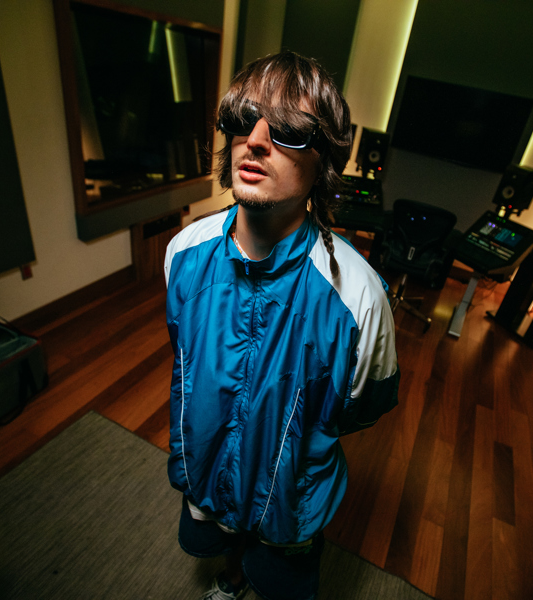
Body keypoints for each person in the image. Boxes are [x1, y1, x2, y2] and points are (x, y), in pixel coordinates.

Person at [163, 51, 399, 600]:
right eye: (243, 119)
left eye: (289, 129)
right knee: (223, 538)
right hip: (206, 465)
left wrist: (291, 440)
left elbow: (363, 407)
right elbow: (184, 356)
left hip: (291, 493)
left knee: (280, 575)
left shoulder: (359, 297)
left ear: (325, 160)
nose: (256, 140)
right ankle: (232, 574)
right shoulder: (182, 253)